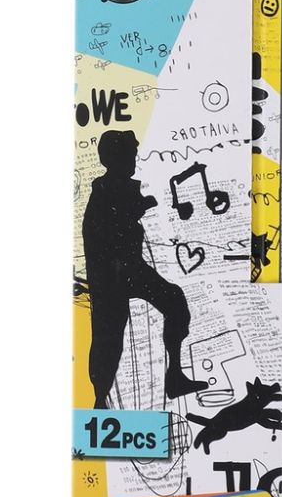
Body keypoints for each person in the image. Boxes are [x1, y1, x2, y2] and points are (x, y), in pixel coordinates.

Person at [83, 129, 207, 408]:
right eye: (130, 156)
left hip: (131, 268)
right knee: (109, 335)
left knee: (174, 299)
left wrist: (138, 207)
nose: (134, 161)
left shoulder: (120, 187)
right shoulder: (104, 191)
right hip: (109, 276)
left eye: (134, 156)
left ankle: (175, 377)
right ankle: (100, 400)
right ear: (114, 159)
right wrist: (137, 208)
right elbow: (106, 233)